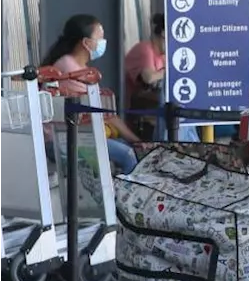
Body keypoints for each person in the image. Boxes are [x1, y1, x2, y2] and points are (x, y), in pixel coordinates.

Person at [42, 14, 142, 174]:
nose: (103, 43)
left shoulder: (79, 68)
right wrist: (136, 140)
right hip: (60, 141)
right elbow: (103, 114)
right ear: (86, 43)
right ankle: (126, 197)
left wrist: (134, 140)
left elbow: (105, 113)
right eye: (100, 38)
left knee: (126, 146)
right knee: (126, 154)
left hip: (75, 136)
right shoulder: (69, 69)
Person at [123, 13, 166, 141]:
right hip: (134, 115)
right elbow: (148, 78)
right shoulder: (145, 49)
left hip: (152, 113)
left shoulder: (162, 56)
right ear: (163, 34)